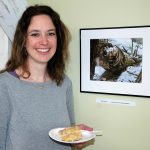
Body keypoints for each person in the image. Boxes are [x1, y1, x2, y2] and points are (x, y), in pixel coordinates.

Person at [0, 4, 93, 150]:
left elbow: (65, 136)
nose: (44, 41)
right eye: (35, 34)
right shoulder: (4, 85)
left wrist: (76, 137)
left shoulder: (64, 83)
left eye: (50, 33)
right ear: (24, 40)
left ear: (58, 38)